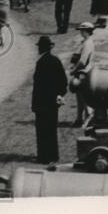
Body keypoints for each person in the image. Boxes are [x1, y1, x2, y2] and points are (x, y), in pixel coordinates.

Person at [31, 35, 67, 164]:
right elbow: (63, 81)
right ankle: (53, 155)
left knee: (42, 130)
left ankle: (43, 156)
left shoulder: (41, 63)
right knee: (51, 129)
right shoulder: (56, 61)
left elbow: (38, 86)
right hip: (53, 102)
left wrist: (35, 104)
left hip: (42, 102)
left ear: (41, 48)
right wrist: (59, 95)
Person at [72, 23, 97, 127]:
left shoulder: (87, 43)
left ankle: (89, 117)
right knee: (79, 96)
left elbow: (82, 61)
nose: (81, 32)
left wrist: (74, 69)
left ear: (87, 31)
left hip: (83, 72)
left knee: (84, 97)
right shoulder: (86, 42)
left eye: (82, 30)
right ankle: (79, 118)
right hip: (83, 71)